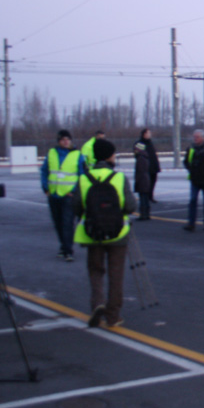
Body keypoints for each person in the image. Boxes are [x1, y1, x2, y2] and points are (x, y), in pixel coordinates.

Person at [72, 139, 136, 329]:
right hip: (118, 233)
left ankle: (97, 303)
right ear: (110, 156)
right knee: (116, 275)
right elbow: (131, 206)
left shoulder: (84, 179)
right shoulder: (119, 178)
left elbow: (76, 206)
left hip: (93, 232)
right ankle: (113, 315)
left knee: (95, 271)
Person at [40, 129, 85, 262]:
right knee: (58, 222)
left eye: (67, 139)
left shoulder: (77, 155)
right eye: (63, 140)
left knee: (67, 223)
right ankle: (63, 246)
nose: (65, 142)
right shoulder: (52, 153)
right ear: (59, 141)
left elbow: (81, 174)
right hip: (54, 194)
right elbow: (44, 171)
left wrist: (75, 191)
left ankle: (68, 250)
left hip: (68, 195)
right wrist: (45, 188)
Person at [183, 129, 204, 231]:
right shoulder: (191, 148)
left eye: (197, 137)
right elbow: (186, 161)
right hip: (195, 180)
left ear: (202, 138)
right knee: (192, 201)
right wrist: (190, 169)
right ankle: (191, 223)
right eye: (194, 137)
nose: (195, 139)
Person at [137, 128, 161, 202]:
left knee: (153, 181)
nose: (149, 134)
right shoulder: (140, 143)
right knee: (146, 183)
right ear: (144, 134)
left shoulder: (150, 142)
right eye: (148, 133)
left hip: (153, 166)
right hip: (146, 167)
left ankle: (150, 196)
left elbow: (153, 154)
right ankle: (146, 197)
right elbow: (139, 154)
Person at [133, 140, 152, 220]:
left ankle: (143, 215)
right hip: (146, 180)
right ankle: (146, 214)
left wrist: (137, 181)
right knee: (145, 198)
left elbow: (139, 171)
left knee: (143, 198)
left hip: (142, 180)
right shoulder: (145, 157)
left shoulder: (140, 158)